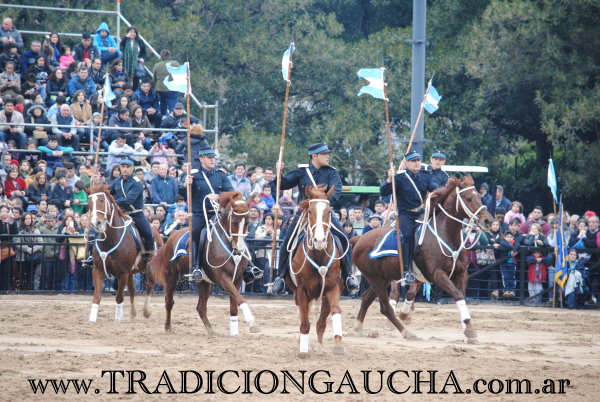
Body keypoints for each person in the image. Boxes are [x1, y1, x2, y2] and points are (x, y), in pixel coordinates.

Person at [270, 142, 358, 294]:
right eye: (324, 154)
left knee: (343, 239)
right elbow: (281, 185)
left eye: (327, 153)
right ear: (314, 156)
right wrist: (279, 173)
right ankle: (280, 278)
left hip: (324, 213)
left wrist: (323, 203)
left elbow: (336, 191)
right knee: (287, 241)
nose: (328, 156)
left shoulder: (332, 172)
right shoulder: (301, 172)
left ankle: (349, 275)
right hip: (304, 214)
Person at [182, 146, 258, 283]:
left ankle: (248, 266)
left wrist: (218, 196)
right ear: (201, 159)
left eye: (213, 158)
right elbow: (181, 196)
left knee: (236, 231)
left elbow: (233, 193)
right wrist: (185, 185)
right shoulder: (193, 175)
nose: (212, 160)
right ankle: (196, 267)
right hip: (200, 213)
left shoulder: (221, 175)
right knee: (196, 233)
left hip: (219, 213)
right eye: (209, 158)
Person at [381, 150, 437, 284]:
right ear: (406, 163)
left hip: (421, 212)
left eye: (418, 160)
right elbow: (384, 192)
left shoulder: (426, 175)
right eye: (413, 161)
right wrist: (389, 179)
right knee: (407, 236)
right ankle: (406, 270)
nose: (417, 163)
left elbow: (435, 188)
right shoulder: (399, 177)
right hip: (405, 213)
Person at [109, 158, 155, 260]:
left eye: (127, 167)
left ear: (132, 168)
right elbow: (109, 192)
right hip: (119, 213)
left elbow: (128, 200)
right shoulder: (117, 181)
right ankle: (93, 255)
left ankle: (150, 254)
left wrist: (113, 202)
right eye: (123, 167)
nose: (125, 169)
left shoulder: (137, 182)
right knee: (102, 228)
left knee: (148, 233)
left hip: (135, 213)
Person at [153, 49, 179, 115]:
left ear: (161, 56)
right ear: (169, 56)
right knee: (172, 104)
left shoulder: (157, 65)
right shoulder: (175, 63)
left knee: (163, 101)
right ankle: (172, 117)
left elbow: (155, 77)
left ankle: (163, 115)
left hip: (160, 88)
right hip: (172, 88)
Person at [0, 205, 18, 290]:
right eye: (3, 211)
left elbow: (15, 232)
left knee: (6, 271)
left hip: (6, 249)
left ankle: (5, 289)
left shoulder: (10, 222)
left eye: (7, 211)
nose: (5, 213)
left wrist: (12, 220)